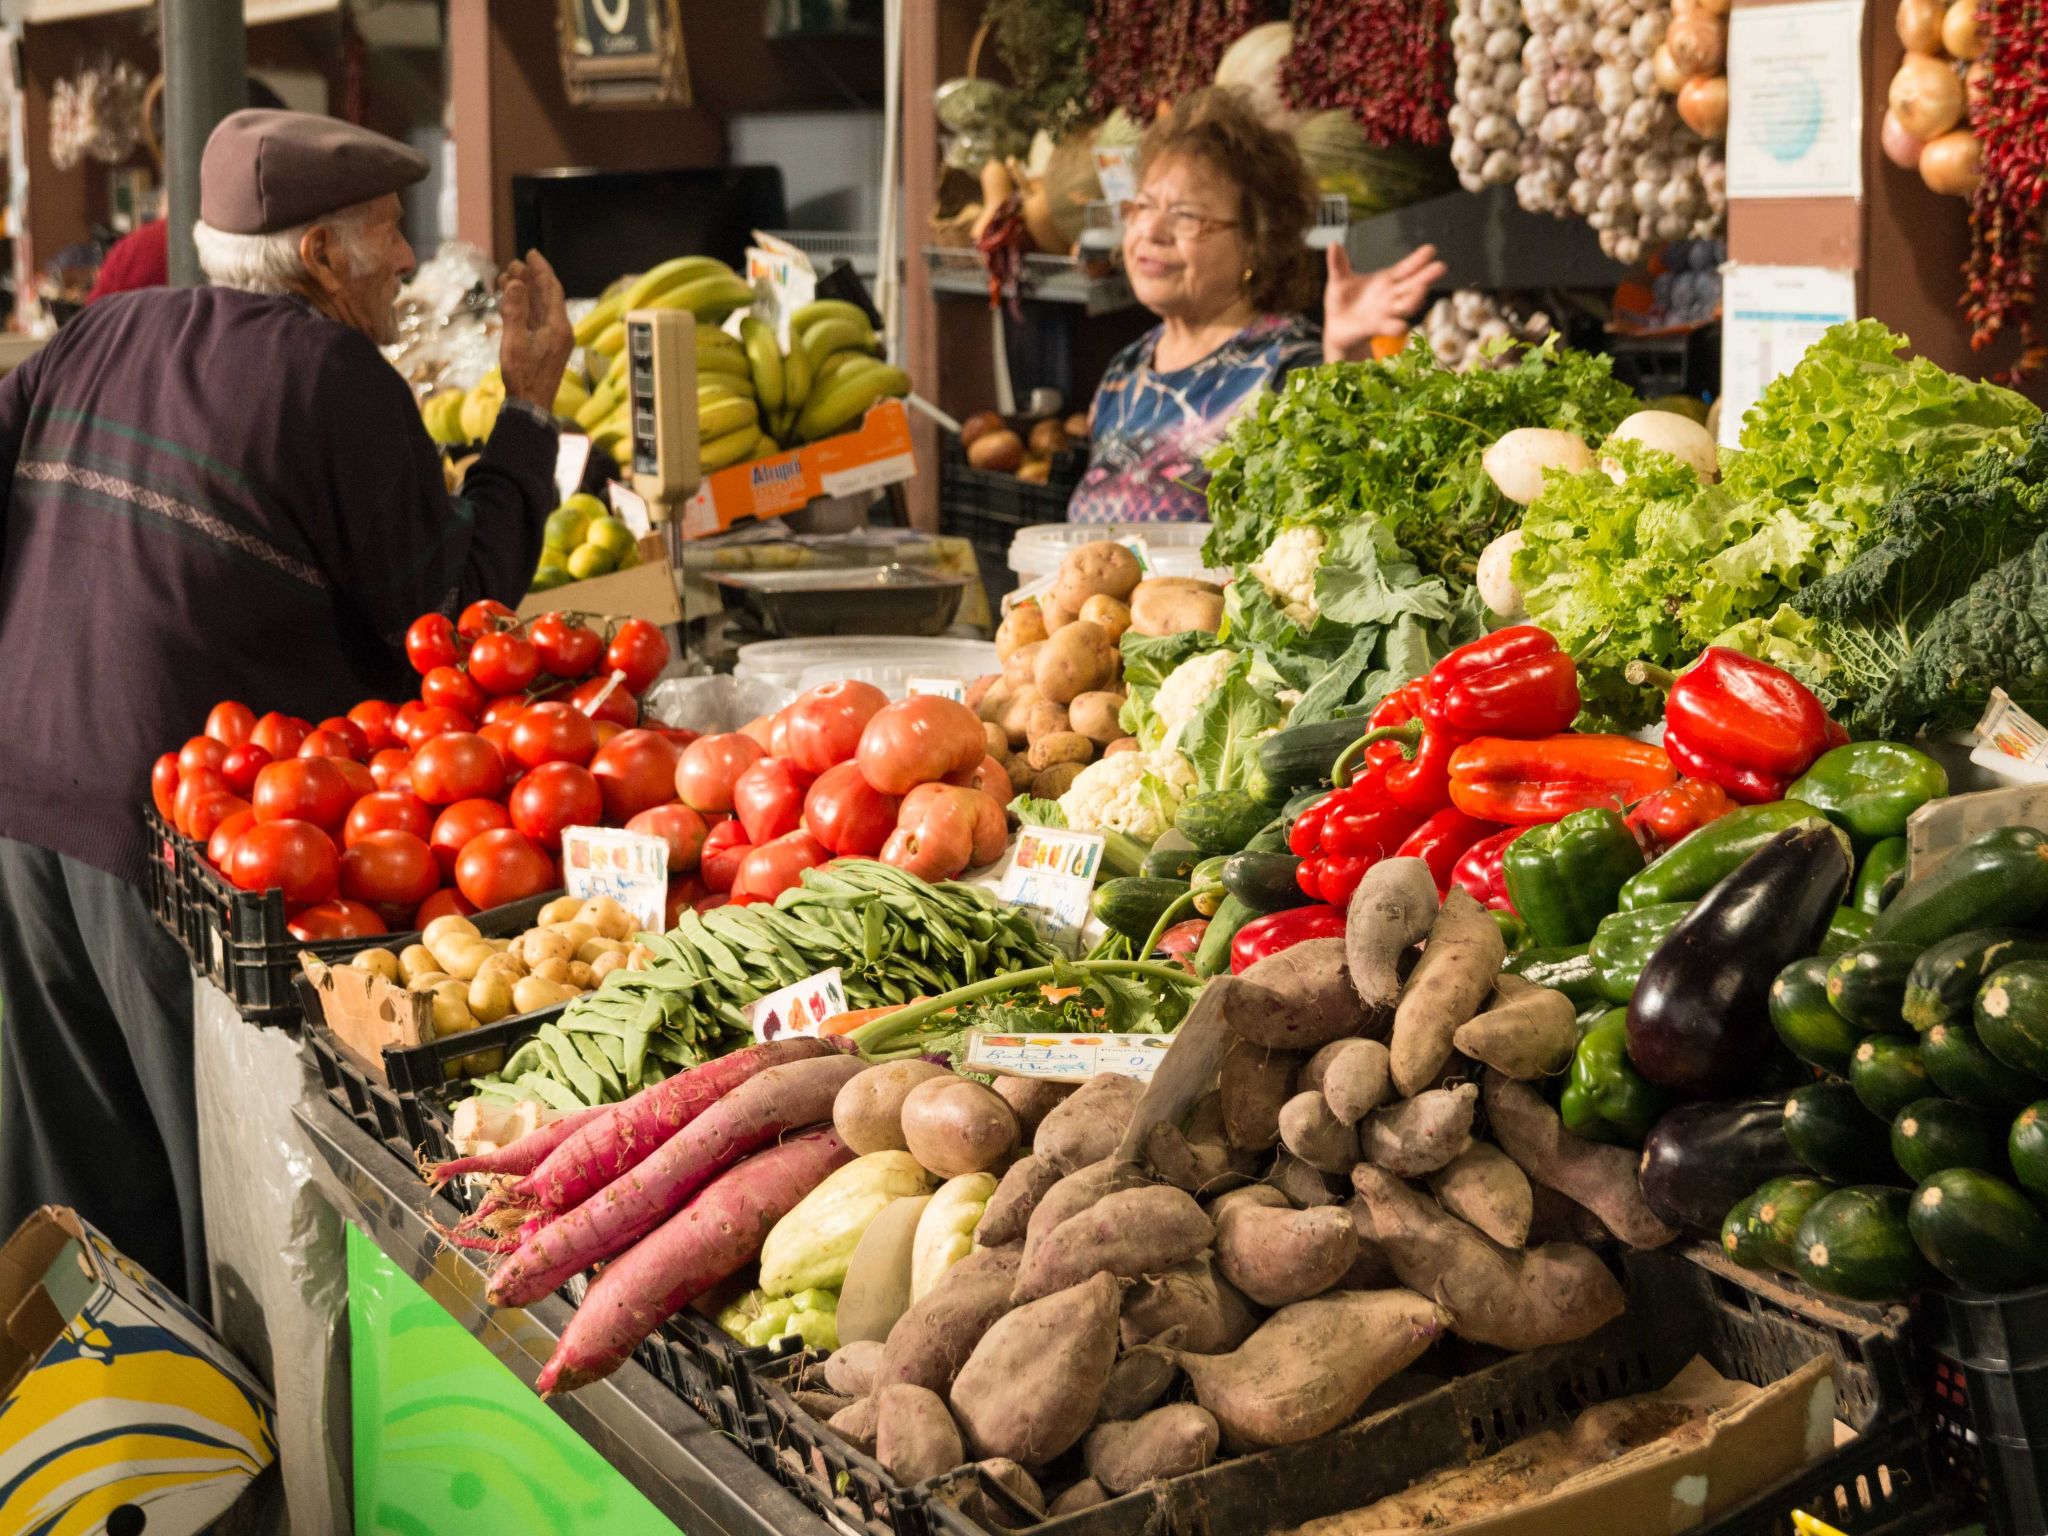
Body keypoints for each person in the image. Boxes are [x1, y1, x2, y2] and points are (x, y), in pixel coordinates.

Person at [0, 109, 573, 1304]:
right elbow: (451, 623)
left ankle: (83, 1453)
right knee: (211, 1194)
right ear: (319, 256)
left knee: (77, 1197)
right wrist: (526, 412)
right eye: (386, 232)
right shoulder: (331, 375)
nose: (409, 259)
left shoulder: (103, 328)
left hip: (23, 809)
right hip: (171, 848)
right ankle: (240, 1473)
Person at [1067, 88, 1448, 524]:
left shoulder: (1287, 365)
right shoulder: (1124, 372)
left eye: (1186, 215)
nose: (1151, 229)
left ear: (1255, 242)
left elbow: (1351, 494)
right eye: (1144, 206)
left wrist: (1349, 359)